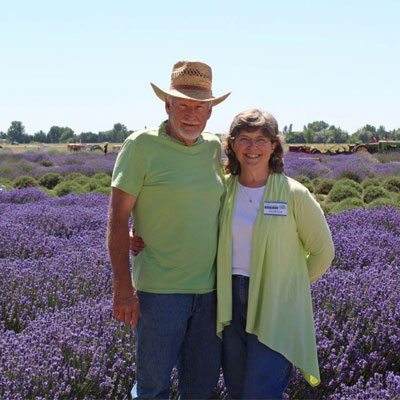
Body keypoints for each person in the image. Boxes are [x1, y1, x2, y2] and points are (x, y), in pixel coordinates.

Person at [107, 60, 230, 399]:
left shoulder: (213, 148)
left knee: (201, 389)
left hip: (210, 294)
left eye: (199, 108)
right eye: (183, 106)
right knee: (153, 388)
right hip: (159, 294)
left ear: (209, 112)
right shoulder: (140, 146)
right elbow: (117, 221)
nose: (191, 115)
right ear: (167, 106)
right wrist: (123, 289)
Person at [216, 109, 335, 399]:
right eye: (244, 139)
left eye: (261, 140)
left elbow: (323, 252)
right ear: (231, 144)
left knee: (261, 392)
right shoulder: (222, 190)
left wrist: (289, 285)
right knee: (236, 389)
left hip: (276, 303)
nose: (252, 148)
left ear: (274, 146)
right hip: (228, 300)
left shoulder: (294, 194)